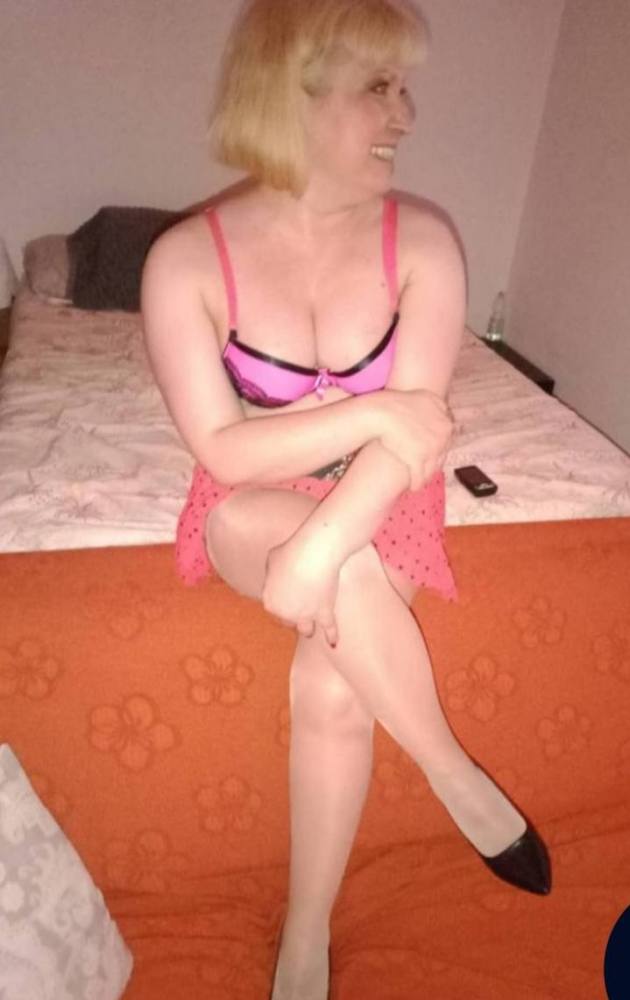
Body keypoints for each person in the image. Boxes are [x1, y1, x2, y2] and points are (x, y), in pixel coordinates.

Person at [141, 1, 551, 996]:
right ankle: (455, 771)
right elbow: (224, 448)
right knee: (282, 539)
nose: (405, 113)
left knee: (333, 676)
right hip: (253, 490)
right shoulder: (185, 260)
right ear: (292, 92)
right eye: (379, 86)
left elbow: (409, 446)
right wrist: (374, 413)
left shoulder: (426, 242)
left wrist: (322, 550)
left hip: (385, 491)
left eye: (403, 87)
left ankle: (306, 932)